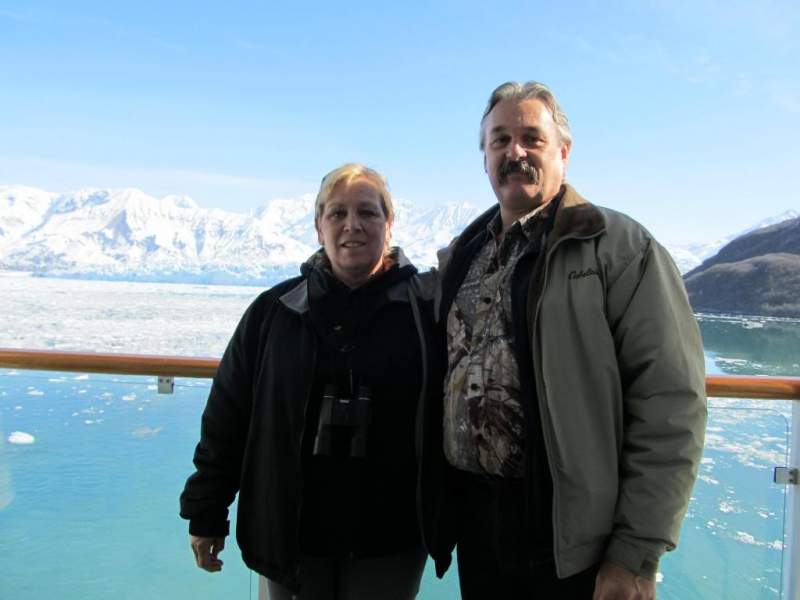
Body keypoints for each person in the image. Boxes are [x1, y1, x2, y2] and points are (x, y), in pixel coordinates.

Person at [419, 81, 707, 599]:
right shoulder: (465, 255)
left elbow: (671, 404)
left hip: (571, 538)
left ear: (564, 153)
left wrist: (635, 551)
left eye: (532, 138)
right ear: (484, 157)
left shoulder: (620, 249)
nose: (515, 152)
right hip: (477, 525)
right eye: (500, 140)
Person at [180, 163, 437, 599]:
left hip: (389, 537)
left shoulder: (426, 311)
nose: (352, 225)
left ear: (389, 224)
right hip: (292, 535)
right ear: (318, 227)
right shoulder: (275, 311)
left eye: (368, 213)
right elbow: (228, 414)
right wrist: (206, 510)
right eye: (337, 213)